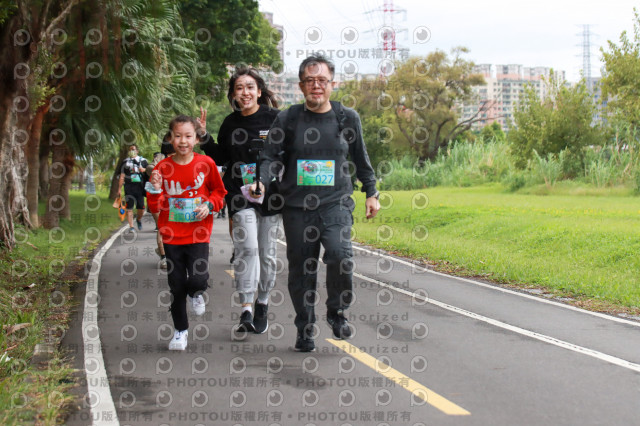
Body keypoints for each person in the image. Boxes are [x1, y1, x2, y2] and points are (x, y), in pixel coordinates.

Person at [255, 55, 380, 352]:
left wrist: (371, 193)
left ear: (332, 84)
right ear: (301, 86)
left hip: (335, 204)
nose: (316, 86)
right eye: (310, 81)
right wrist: (262, 180)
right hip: (297, 208)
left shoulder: (347, 118)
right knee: (301, 270)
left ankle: (337, 311)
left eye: (322, 80)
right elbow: (270, 156)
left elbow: (361, 159)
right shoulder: (288, 118)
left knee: (340, 256)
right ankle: (305, 327)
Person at [200, 67, 281, 335]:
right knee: (247, 248)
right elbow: (221, 158)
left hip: (271, 194)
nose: (244, 92)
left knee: (267, 254)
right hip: (238, 193)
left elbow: (283, 155)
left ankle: (262, 302)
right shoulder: (230, 123)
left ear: (259, 91)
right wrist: (204, 138)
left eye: (249, 87)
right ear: (233, 94)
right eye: (239, 88)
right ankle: (246, 307)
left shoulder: (275, 119)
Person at [146, 115, 226, 351]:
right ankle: (180, 331)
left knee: (199, 279)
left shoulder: (206, 164)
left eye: (188, 136)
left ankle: (196, 292)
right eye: (178, 136)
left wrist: (209, 205)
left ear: (196, 139)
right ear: (170, 138)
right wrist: (156, 189)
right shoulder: (162, 168)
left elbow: (220, 193)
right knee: (176, 284)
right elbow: (154, 205)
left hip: (199, 233)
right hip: (172, 235)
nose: (183, 141)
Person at [146, 134, 175, 269]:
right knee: (162, 226)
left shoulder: (184, 157)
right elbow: (150, 168)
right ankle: (164, 257)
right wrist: (157, 172)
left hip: (174, 198)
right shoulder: (160, 157)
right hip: (157, 196)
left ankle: (167, 251)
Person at [117, 144, 148, 232]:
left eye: (133, 149)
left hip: (140, 187)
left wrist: (144, 170)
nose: (132, 151)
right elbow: (122, 176)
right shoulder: (125, 162)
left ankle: (138, 219)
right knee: (129, 208)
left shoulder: (143, 161)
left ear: (137, 151)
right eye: (130, 150)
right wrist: (119, 189)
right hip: (129, 187)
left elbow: (150, 172)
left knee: (141, 208)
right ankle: (131, 226)